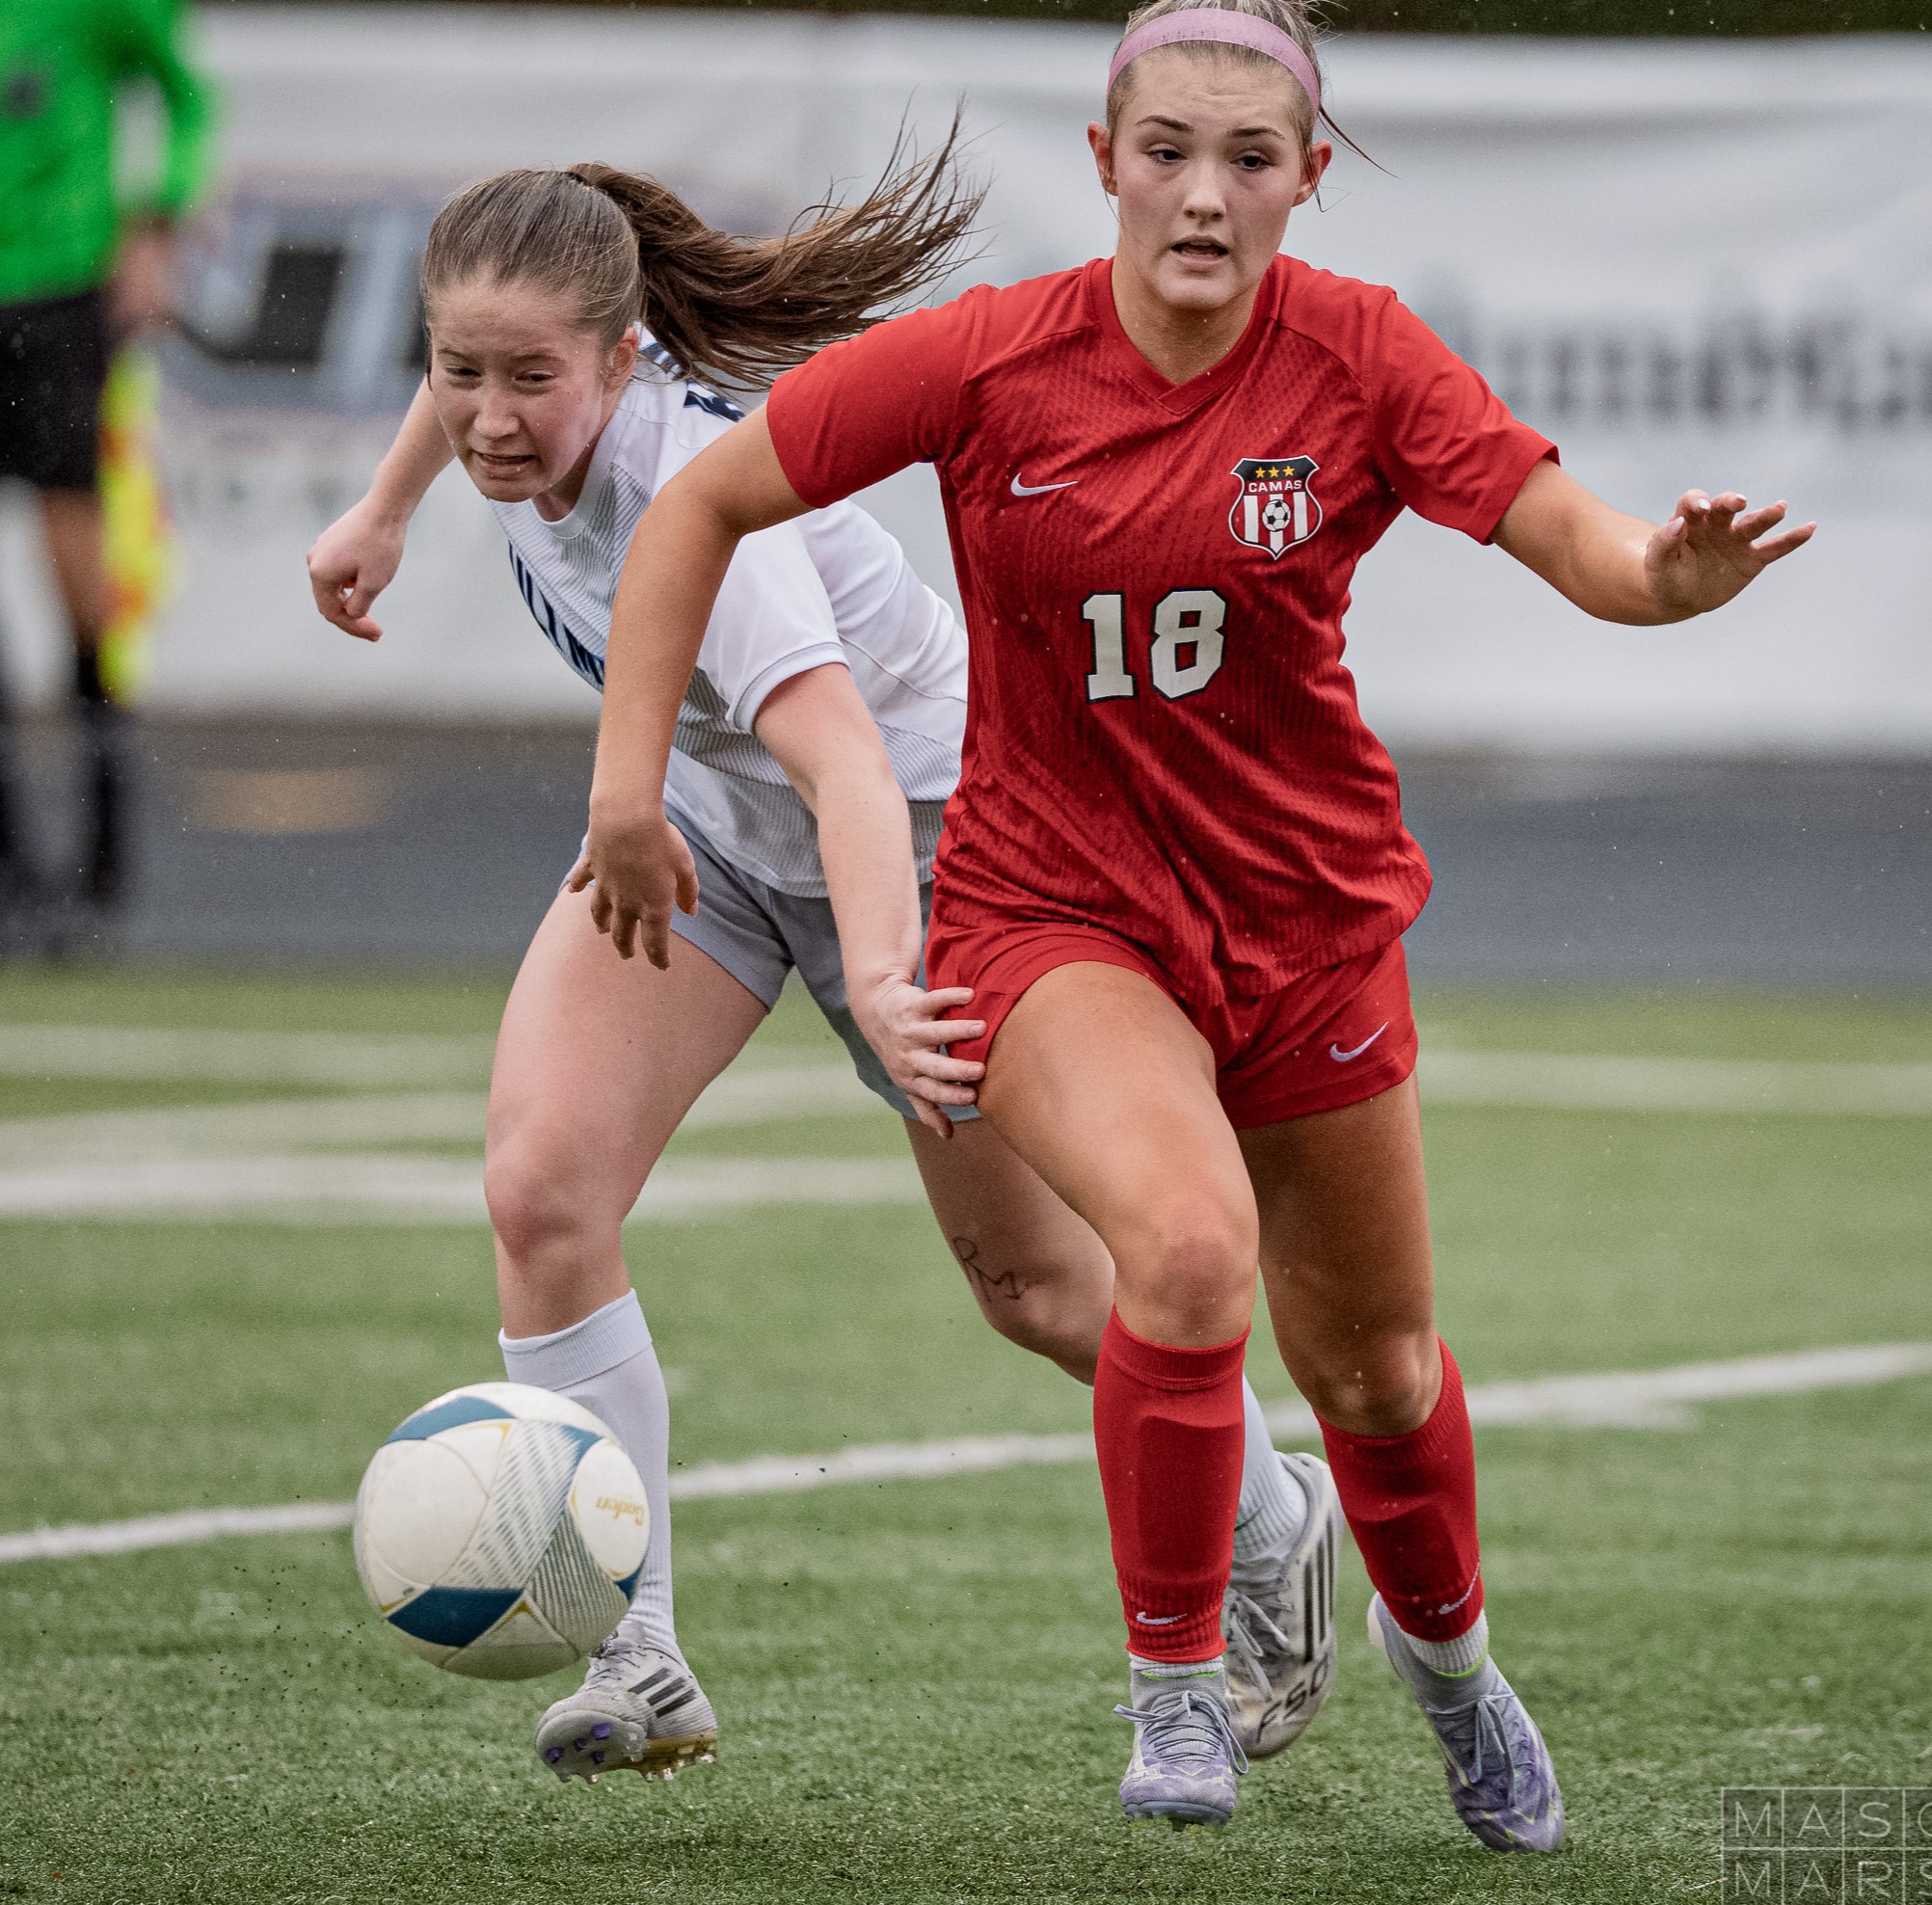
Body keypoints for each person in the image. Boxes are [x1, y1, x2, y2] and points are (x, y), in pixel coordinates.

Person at [574, 0, 1814, 1842]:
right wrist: (624, 793)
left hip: (1309, 924)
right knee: (1181, 1246)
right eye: (1170, 150)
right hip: (1060, 916)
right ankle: (1178, 1696)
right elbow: (696, 506)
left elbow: (1579, 541)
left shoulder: (1365, 352)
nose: (1206, 192)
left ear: (1307, 174)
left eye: (1251, 156)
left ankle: (1459, 1681)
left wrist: (1666, 575)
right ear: (1105, 157)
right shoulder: (999, 356)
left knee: (1382, 1376)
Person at [307, 154, 1337, 1787]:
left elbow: (850, 764)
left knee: (1046, 1293)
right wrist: (382, 504)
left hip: (932, 848)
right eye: (456, 373)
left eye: (528, 380)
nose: (487, 416)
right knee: (541, 1189)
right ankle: (637, 1655)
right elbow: (474, 387)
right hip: (705, 847)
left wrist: (880, 977)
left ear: (625, 356)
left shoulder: (704, 503)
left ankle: (1277, 1512)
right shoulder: (512, 397)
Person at [0, 0, 214, 920]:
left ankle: (102, 821)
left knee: (74, 557)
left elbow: (185, 95)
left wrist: (152, 223)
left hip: (53, 296)